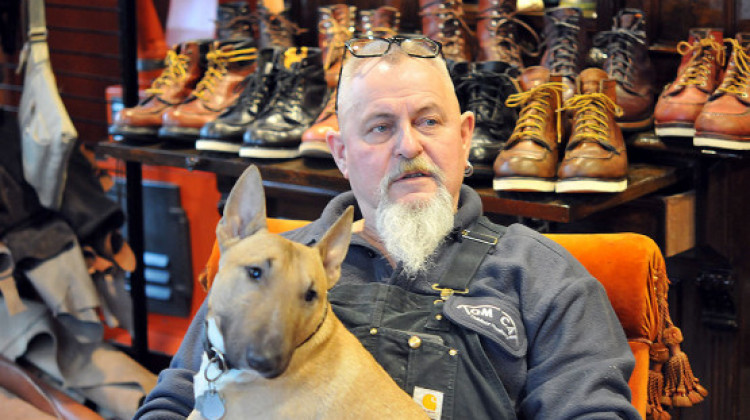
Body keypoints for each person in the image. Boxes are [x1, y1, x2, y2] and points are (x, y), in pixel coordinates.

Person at [135, 37, 640, 419]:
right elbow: (176, 397)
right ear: (341, 154)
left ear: (465, 137)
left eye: (429, 122)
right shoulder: (262, 263)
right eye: (380, 127)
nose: (409, 146)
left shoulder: (541, 276)